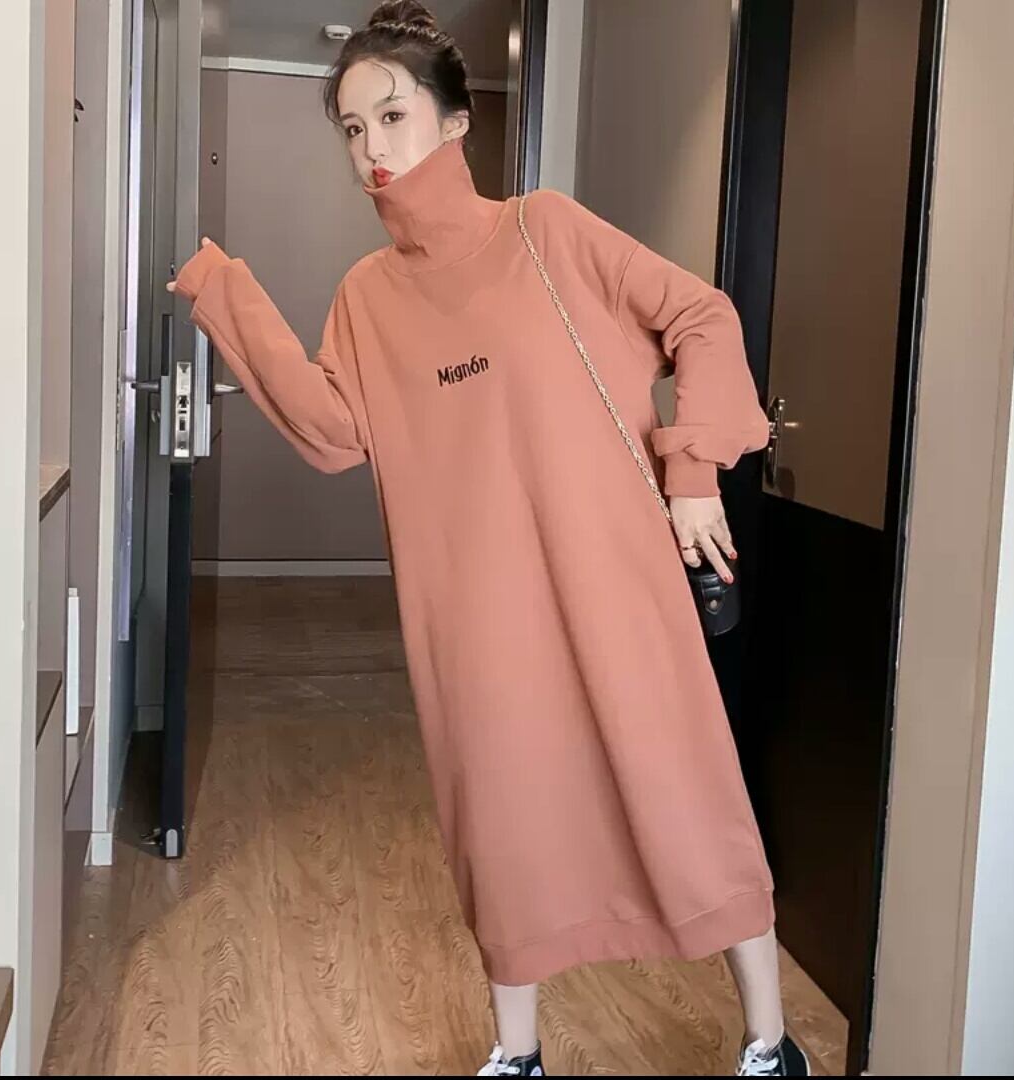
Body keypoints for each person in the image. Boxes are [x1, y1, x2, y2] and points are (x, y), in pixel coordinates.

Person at [168, 2, 809, 1075]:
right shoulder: (367, 296)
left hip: (613, 583)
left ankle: (772, 1043)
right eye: (352, 129)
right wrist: (222, 294)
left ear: (456, 121)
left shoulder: (546, 232)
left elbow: (702, 316)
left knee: (684, 793)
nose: (371, 148)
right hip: (475, 615)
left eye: (392, 116)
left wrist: (695, 472)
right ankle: (519, 1054)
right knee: (502, 821)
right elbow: (333, 434)